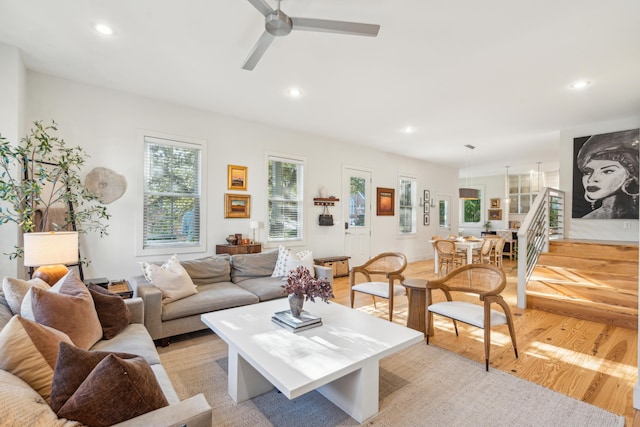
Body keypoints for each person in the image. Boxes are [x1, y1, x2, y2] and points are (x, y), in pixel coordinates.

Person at [576, 129, 639, 219]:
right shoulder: (589, 219)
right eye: (587, 172)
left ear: (631, 176)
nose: (592, 179)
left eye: (607, 171)